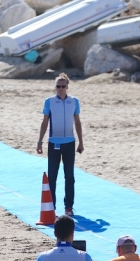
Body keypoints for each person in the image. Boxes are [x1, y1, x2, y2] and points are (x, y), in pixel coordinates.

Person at [37, 73, 84, 216]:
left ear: (67, 87)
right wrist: (40, 141)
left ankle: (68, 207)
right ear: (55, 87)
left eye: (63, 86)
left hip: (69, 142)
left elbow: (77, 122)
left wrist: (81, 142)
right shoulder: (49, 101)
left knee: (69, 176)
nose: (61, 89)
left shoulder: (74, 101)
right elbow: (45, 122)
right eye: (58, 86)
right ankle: (52, 207)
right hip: (54, 144)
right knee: (52, 177)